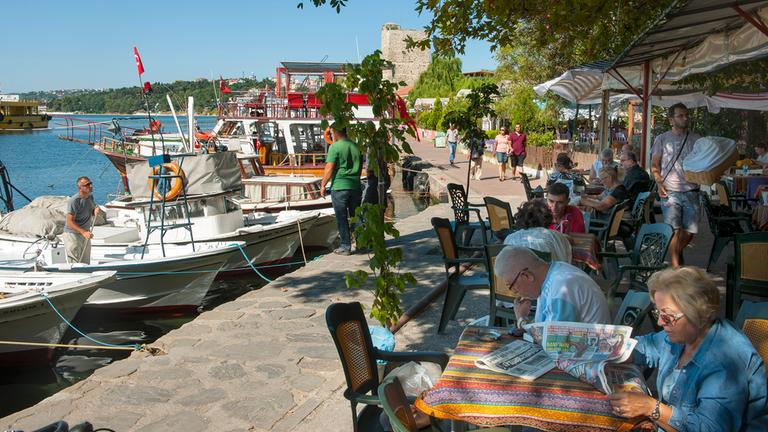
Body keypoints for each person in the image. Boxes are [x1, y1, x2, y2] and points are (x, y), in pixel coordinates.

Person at [609, 267, 768, 431]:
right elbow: (647, 347)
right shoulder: (684, 333)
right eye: (658, 313)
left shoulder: (724, 362)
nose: (660, 323)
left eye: (668, 316)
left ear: (697, 313)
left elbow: (709, 428)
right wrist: (606, 347)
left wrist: (651, 407)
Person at [493, 246, 610, 327]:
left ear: (527, 276)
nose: (514, 292)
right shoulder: (553, 272)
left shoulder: (561, 288)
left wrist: (521, 320)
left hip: (584, 358)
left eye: (512, 286)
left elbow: (554, 343)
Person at [650, 103, 701, 267]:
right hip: (670, 190)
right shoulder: (662, 139)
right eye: (680, 115)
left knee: (691, 230)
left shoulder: (697, 139)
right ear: (671, 119)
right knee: (674, 229)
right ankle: (675, 267)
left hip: (692, 190)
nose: (685, 118)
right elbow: (654, 165)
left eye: (686, 115)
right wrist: (658, 182)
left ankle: (674, 253)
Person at [320, 126, 362, 255]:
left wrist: (323, 185)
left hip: (339, 186)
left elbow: (330, 167)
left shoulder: (335, 147)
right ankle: (361, 243)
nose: (331, 135)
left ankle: (345, 246)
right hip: (355, 185)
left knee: (341, 217)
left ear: (337, 132)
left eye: (332, 133)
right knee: (356, 216)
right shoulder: (356, 146)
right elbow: (360, 167)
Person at [504, 199, 572, 263]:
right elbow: (565, 262)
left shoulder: (510, 238)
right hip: (547, 274)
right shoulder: (554, 236)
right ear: (548, 218)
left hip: (517, 273)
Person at [63, 176, 101, 264]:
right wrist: (83, 232)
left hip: (85, 234)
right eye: (87, 184)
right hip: (73, 235)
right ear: (80, 187)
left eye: (90, 183)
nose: (90, 186)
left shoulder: (90, 197)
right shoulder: (74, 201)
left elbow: (90, 210)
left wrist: (95, 210)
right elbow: (69, 222)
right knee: (75, 262)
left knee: (85, 262)